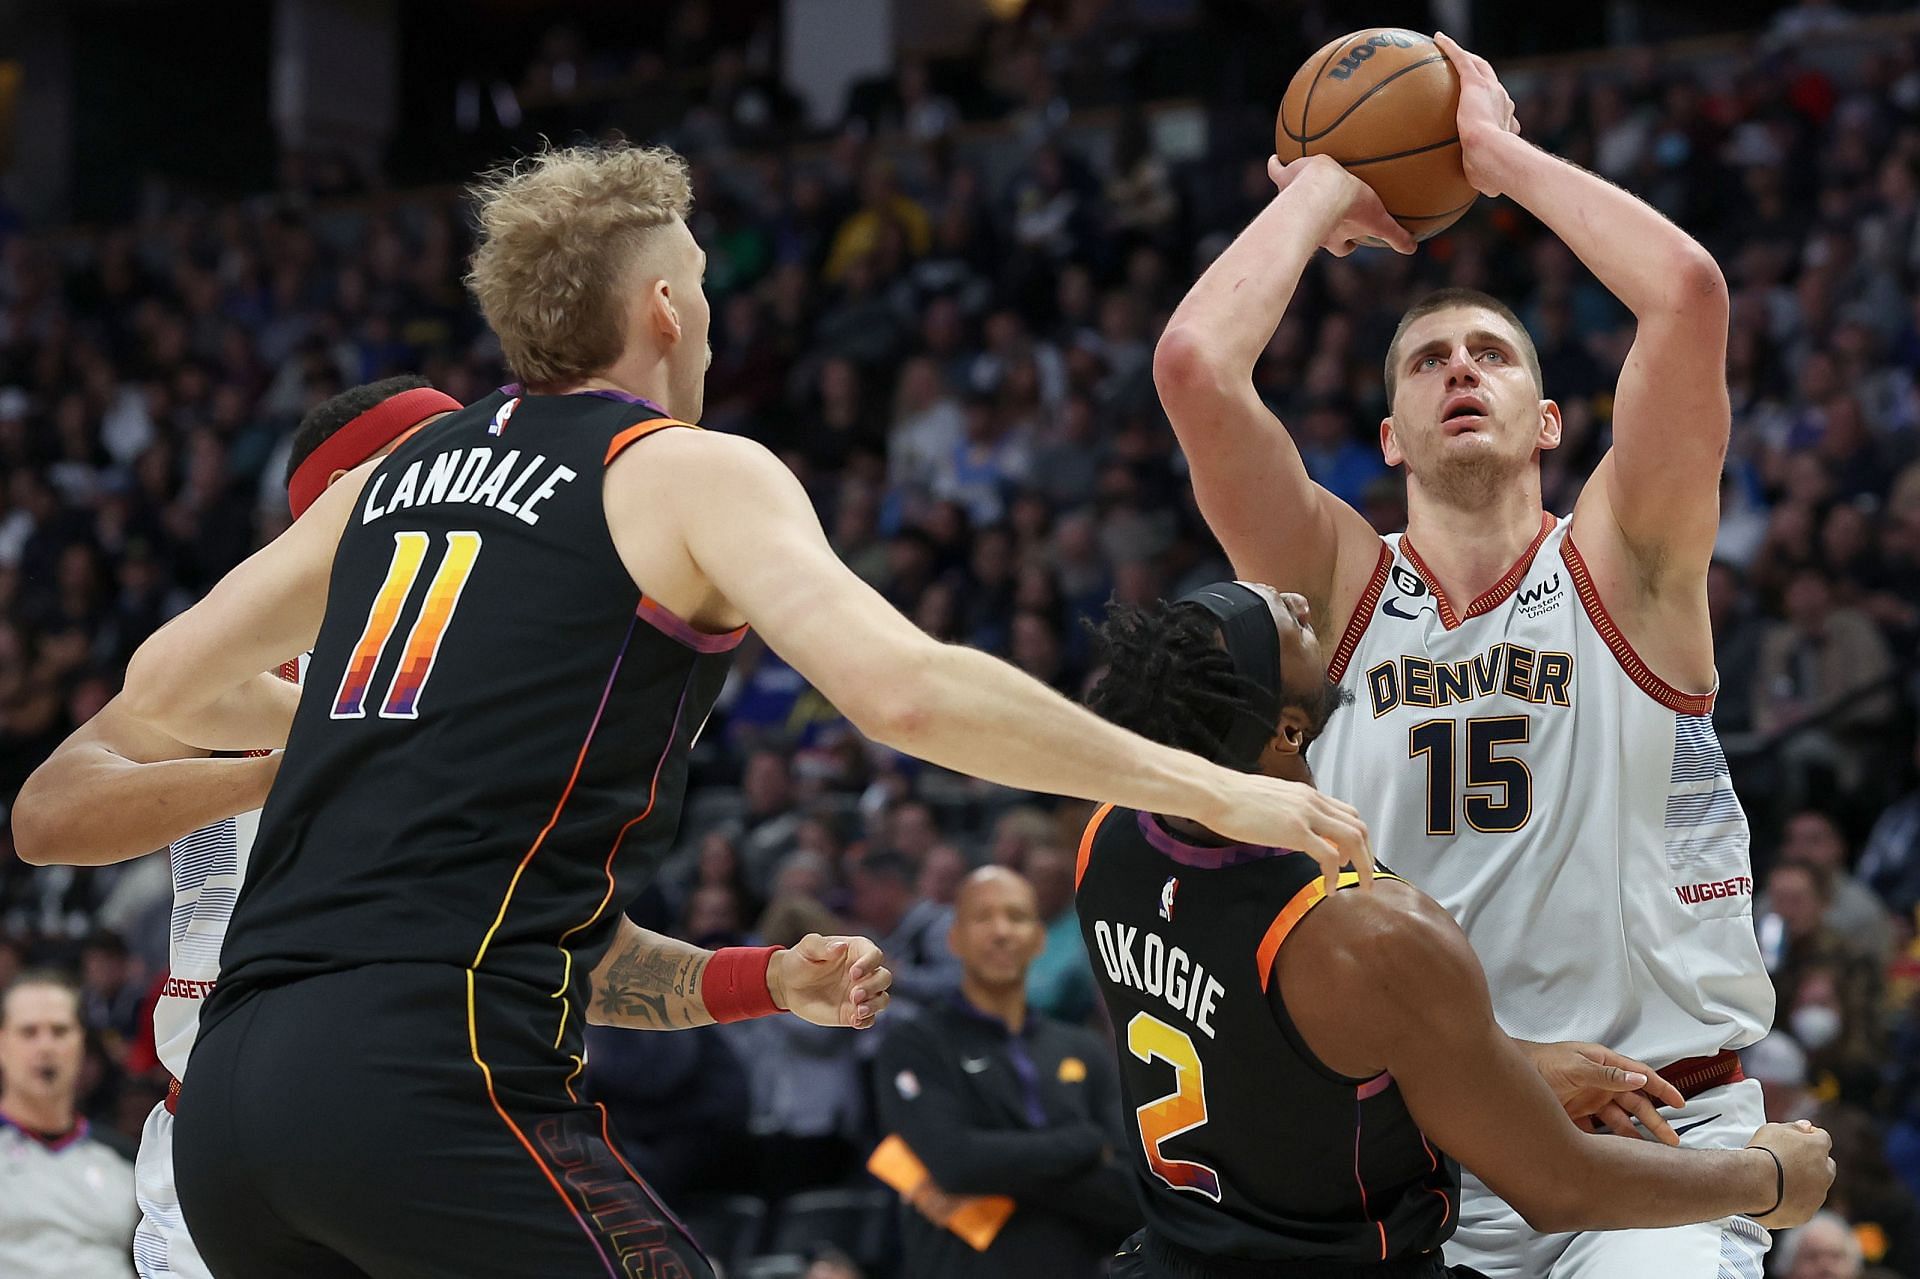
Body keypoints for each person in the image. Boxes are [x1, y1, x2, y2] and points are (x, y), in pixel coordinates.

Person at [108, 143, 1370, 1278]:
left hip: (231, 1111)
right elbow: (907, 689)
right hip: (424, 1081)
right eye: (702, 291)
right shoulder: (677, 469)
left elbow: (161, 689)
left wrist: (345, 711)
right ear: (665, 308)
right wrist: (1215, 784)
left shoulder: (397, 479)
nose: (709, 320)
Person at [1155, 34, 1777, 1277]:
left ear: (1549, 420)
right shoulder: (1333, 589)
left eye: (1490, 354)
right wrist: (1329, 186)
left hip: (1656, 1129)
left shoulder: (1625, 564)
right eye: (1429, 361)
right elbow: (1195, 368)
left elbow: (1688, 293)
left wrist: (1494, 156)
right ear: (1388, 436)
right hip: (1428, 1159)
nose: (1460, 371)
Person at [1075, 581, 1836, 1277]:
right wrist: (1767, 1180)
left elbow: (1266, 1052)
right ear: (1286, 733)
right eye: (1282, 622)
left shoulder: (1105, 843)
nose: (1297, 599)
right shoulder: (1366, 932)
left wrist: (1506, 1062)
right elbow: (1560, 1184)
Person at [11, 376, 460, 1279]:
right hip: (228, 1136)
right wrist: (266, 775)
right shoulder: (227, 663)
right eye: (437, 466)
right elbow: (43, 817)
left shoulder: (492, 653)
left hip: (420, 1118)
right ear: (348, 494)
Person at [875, 866, 1139, 1277]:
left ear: (1039, 938)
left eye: (1016, 917)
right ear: (954, 938)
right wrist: (1083, 1144)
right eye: (983, 917)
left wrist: (994, 1168)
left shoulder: (1084, 1049)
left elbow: (1132, 1195)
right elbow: (955, 1162)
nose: (1001, 931)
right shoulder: (915, 1044)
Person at [0, 971, 138, 1279]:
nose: (45, 1047)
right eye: (29, 1032)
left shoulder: (128, 1160)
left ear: (81, 1046)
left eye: (60, 1031)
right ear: (2, 1044)